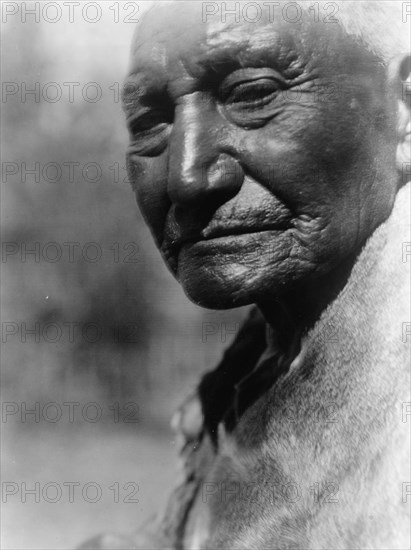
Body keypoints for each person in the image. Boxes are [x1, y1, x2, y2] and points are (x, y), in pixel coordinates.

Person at [80, 1, 410, 548]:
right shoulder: (276, 337)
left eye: (252, 94)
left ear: (401, 109)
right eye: (151, 122)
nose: (187, 177)